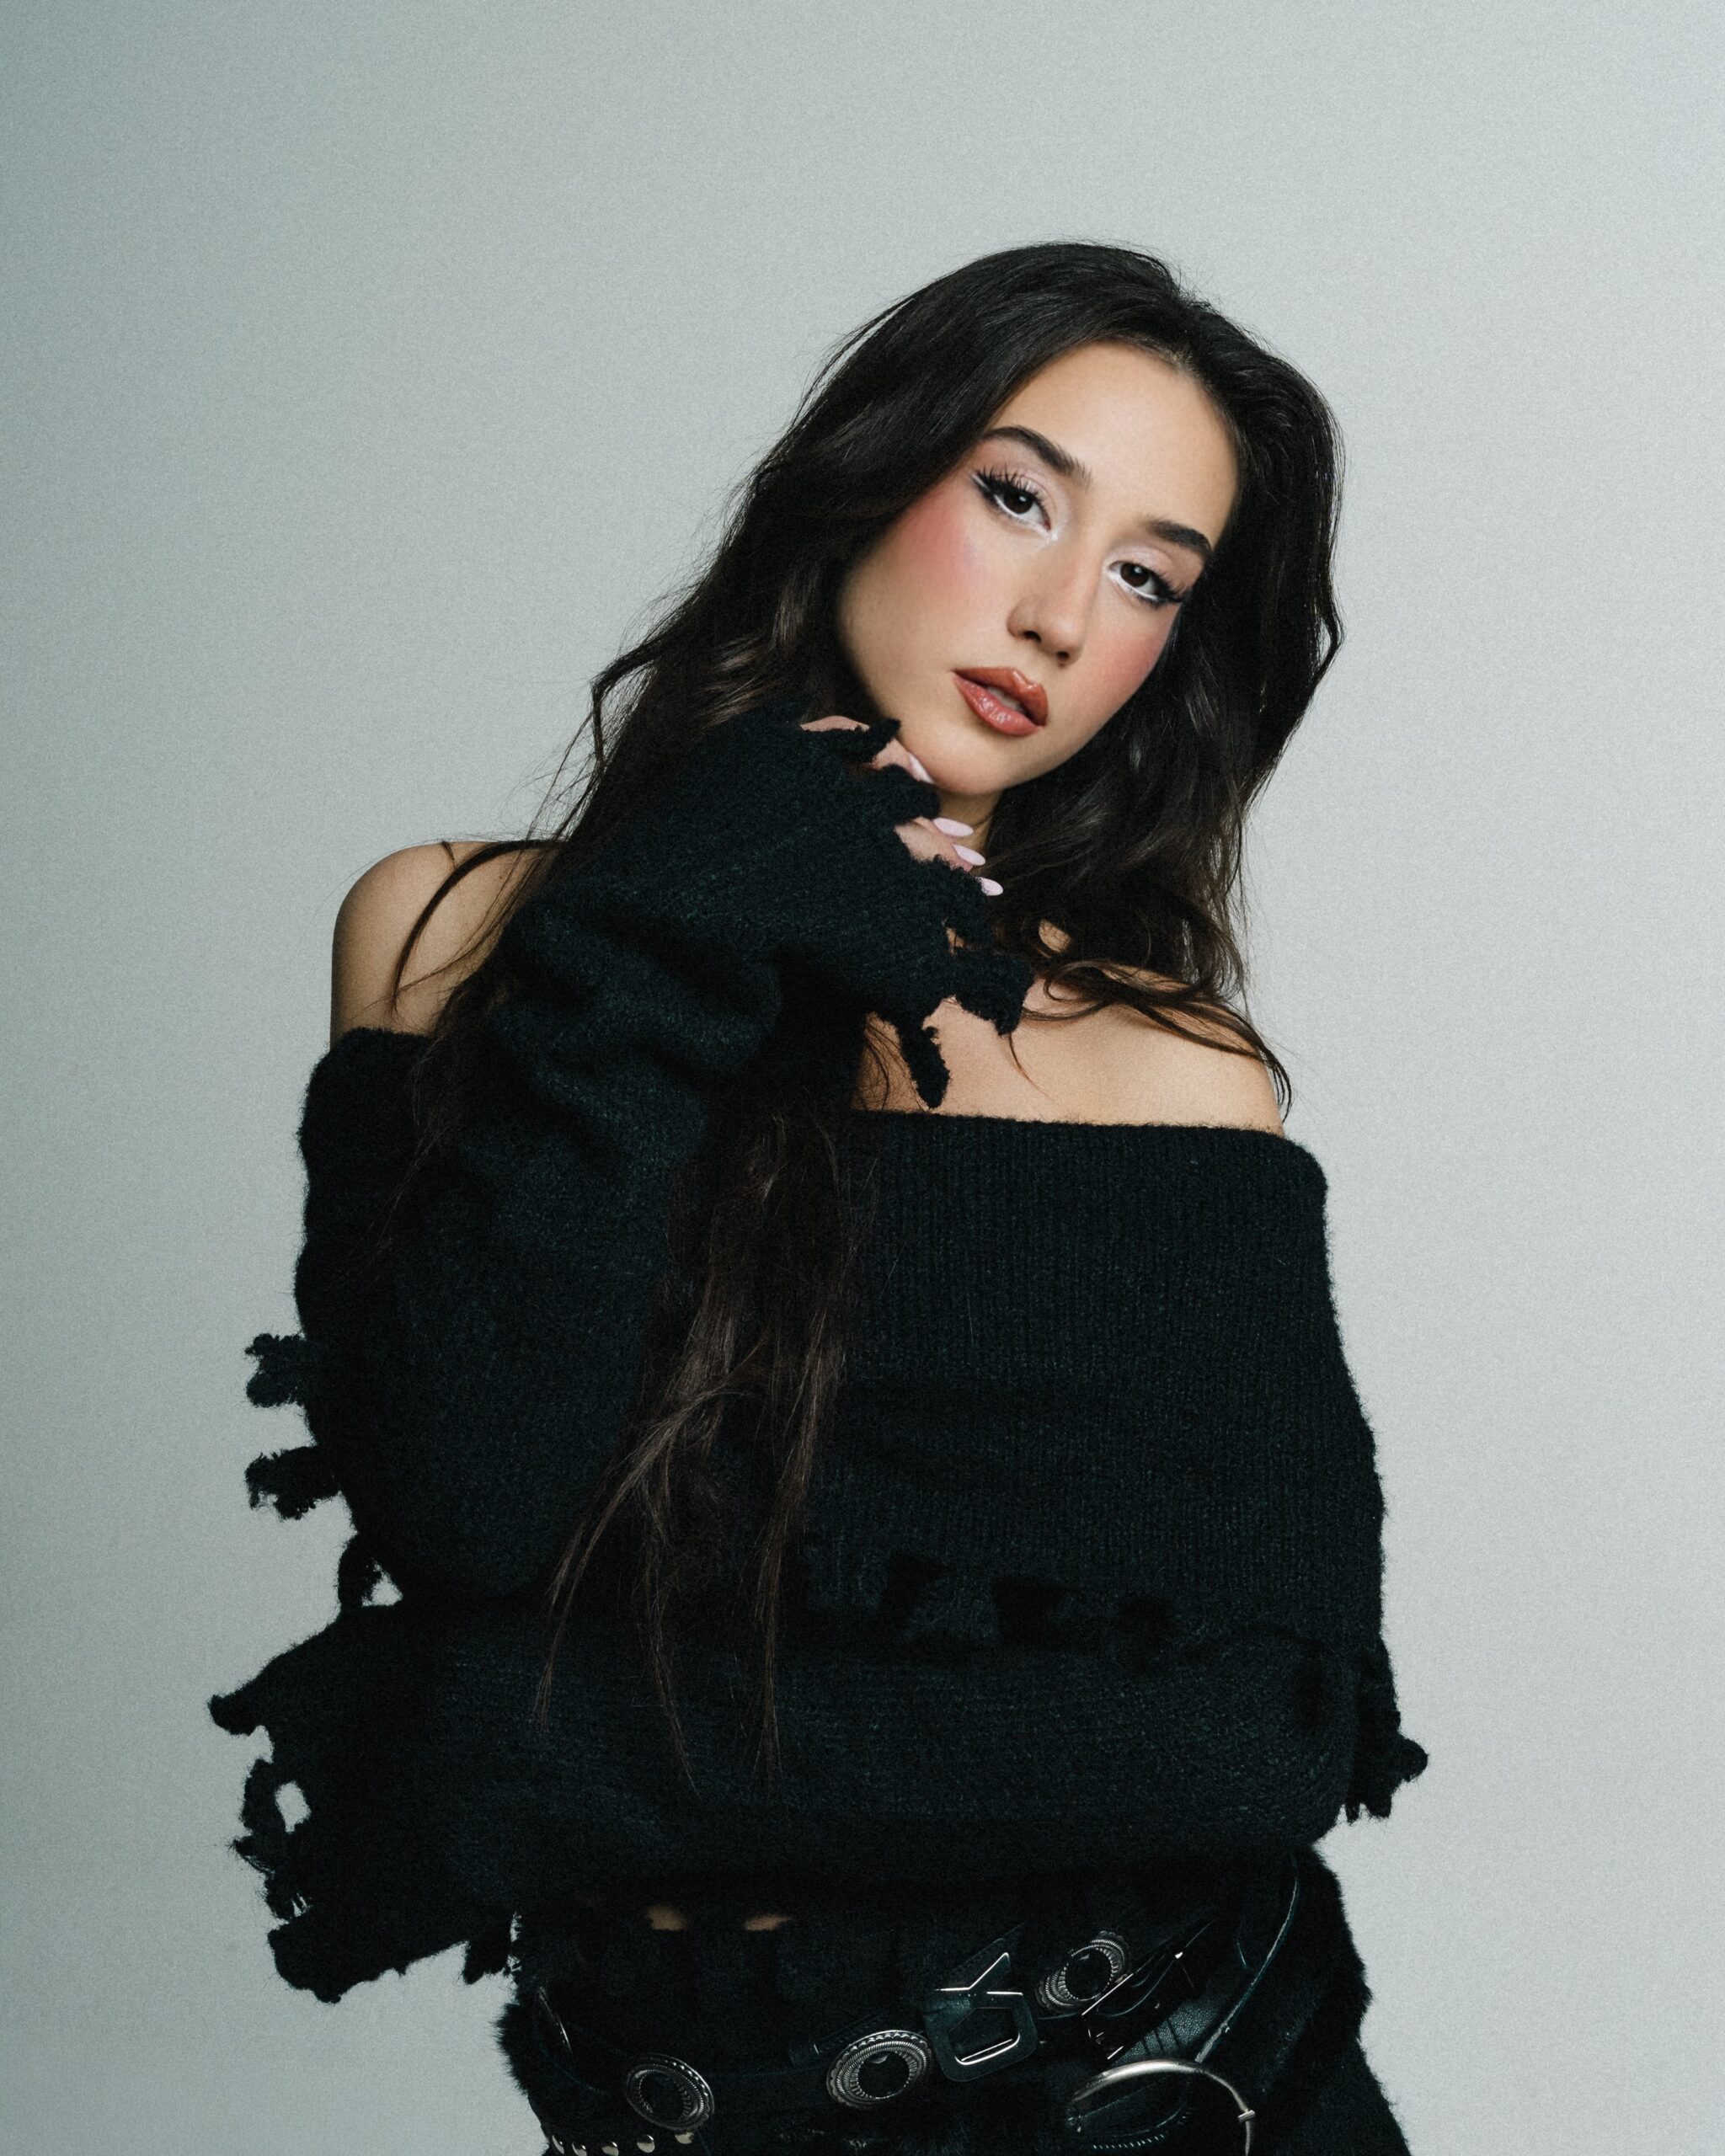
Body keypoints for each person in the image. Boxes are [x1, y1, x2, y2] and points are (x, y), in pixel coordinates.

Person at [210, 242, 1429, 2154]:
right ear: (866, 476)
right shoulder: (461, 941)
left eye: (1146, 576)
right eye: (1017, 496)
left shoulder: (1160, 1067)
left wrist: (534, 1737)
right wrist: (663, 930)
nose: (1055, 614)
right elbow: (469, 1502)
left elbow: (1255, 1734)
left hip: (1158, 2090)